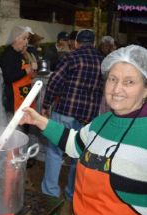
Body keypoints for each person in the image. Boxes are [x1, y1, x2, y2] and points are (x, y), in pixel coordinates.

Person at [20, 44, 147, 215]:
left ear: (145, 90)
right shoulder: (101, 123)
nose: (117, 89)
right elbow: (74, 144)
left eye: (129, 82)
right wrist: (39, 121)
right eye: (112, 79)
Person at [41, 29, 104, 201]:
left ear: (76, 42)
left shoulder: (70, 57)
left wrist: (46, 105)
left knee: (55, 152)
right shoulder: (103, 61)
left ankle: (50, 193)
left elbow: (54, 82)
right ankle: (72, 193)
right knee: (79, 156)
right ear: (93, 42)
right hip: (88, 117)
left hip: (65, 112)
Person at [0, 25, 36, 118]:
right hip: (13, 99)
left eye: (27, 39)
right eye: (24, 38)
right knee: (15, 129)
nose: (26, 42)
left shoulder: (18, 54)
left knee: (25, 126)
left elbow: (21, 72)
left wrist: (31, 73)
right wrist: (25, 71)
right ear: (16, 38)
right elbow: (8, 78)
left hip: (23, 96)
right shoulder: (8, 54)